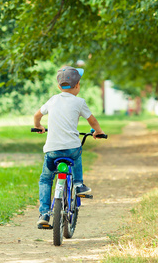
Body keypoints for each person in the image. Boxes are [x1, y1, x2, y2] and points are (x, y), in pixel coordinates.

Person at [33, 66, 105, 227]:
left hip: (51, 151)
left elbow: (37, 115)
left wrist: (39, 126)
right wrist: (98, 132)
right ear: (78, 85)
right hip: (71, 149)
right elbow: (92, 121)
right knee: (77, 152)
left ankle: (44, 213)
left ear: (59, 86)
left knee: (45, 179)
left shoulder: (52, 100)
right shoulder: (79, 102)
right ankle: (79, 184)